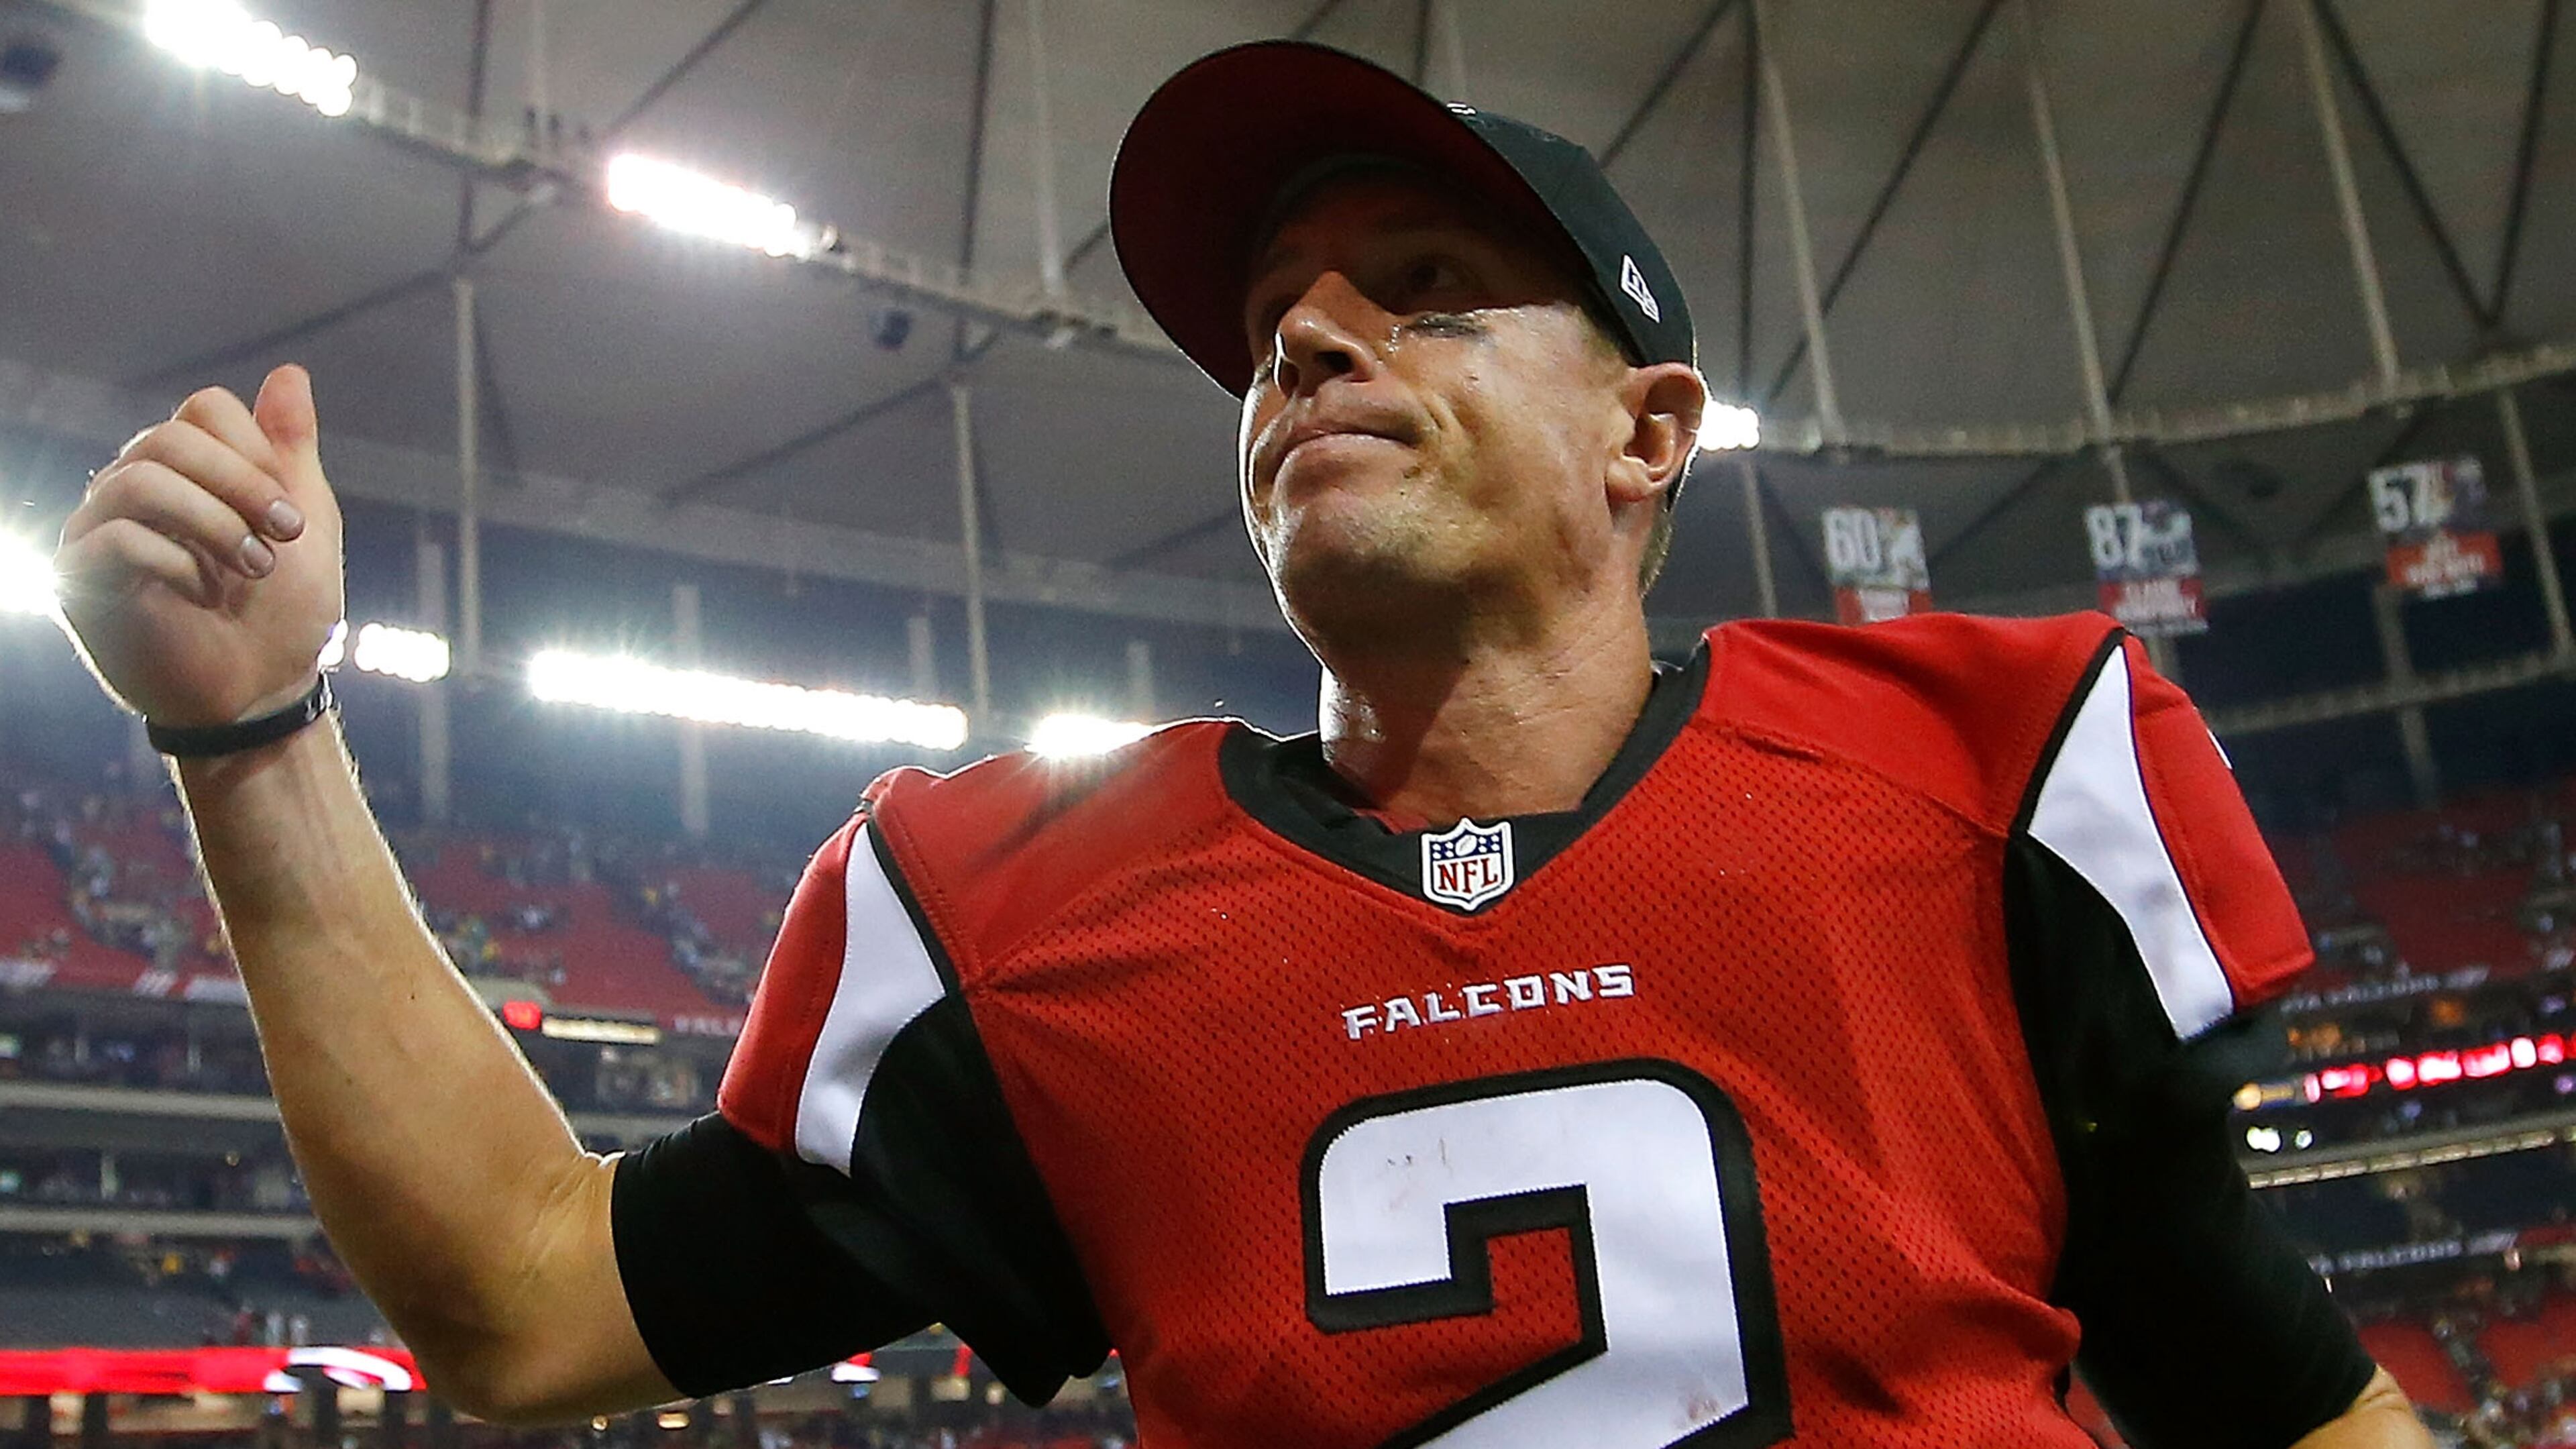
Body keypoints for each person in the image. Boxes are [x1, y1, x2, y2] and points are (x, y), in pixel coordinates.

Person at [50, 38, 2428, 1449]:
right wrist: (253, 734)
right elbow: (524, 1297)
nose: (1304, 346)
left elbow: (2274, 1391)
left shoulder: (1982, 779)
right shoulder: (1029, 905)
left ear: (1647, 433)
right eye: (1277, 330)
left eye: (1419, 292)